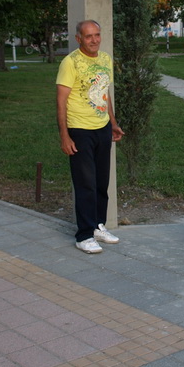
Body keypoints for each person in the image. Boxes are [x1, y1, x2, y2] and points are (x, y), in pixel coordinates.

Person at [56, 19, 125, 253]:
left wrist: (112, 123)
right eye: (88, 36)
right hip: (79, 129)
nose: (94, 40)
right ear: (79, 39)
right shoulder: (70, 63)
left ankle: (97, 226)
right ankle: (84, 235)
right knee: (85, 183)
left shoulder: (105, 59)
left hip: (102, 128)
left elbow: (105, 93)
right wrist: (65, 136)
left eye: (97, 35)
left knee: (101, 182)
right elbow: (61, 101)